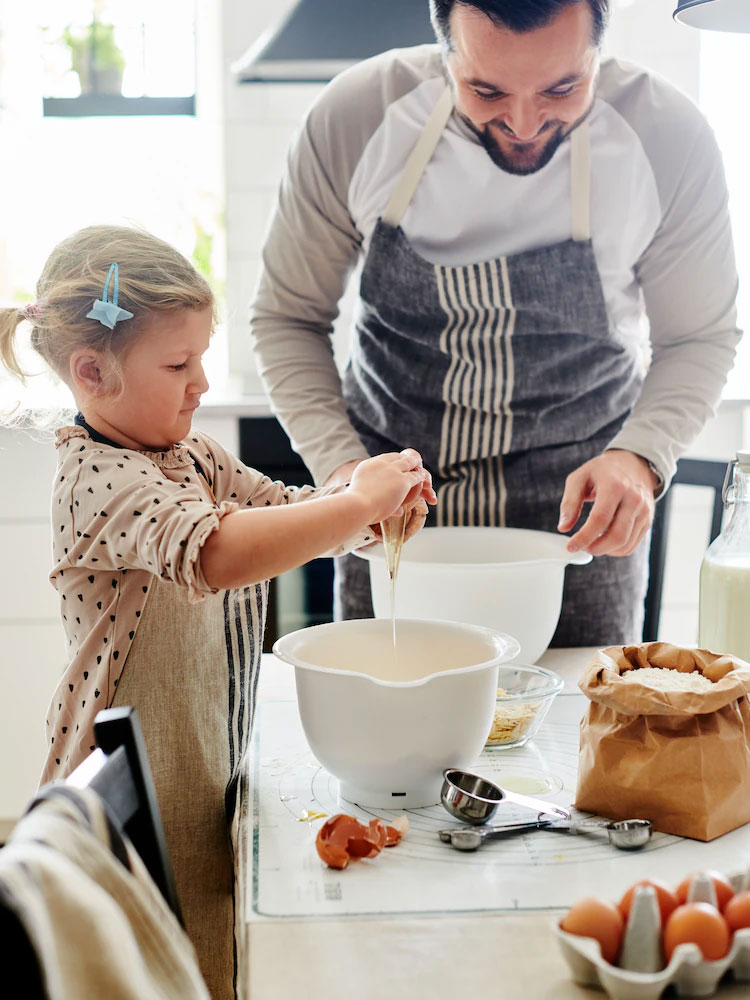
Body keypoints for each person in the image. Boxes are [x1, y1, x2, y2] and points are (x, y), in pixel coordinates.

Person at [0, 225, 435, 1000]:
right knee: (172, 962)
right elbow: (218, 552)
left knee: (219, 940)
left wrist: (372, 507)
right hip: (138, 784)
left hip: (205, 751)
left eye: (202, 356)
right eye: (178, 364)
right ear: (93, 372)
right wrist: (353, 505)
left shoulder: (191, 455)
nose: (200, 383)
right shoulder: (98, 481)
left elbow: (285, 512)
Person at [250, 0, 741, 644]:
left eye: (563, 87)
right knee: (394, 724)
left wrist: (639, 457)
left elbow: (699, 337)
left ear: (599, 44)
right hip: (396, 516)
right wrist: (344, 476)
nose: (524, 121)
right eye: (486, 90)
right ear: (443, 47)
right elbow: (287, 318)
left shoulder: (667, 136)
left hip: (577, 528)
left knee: (578, 733)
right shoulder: (357, 118)